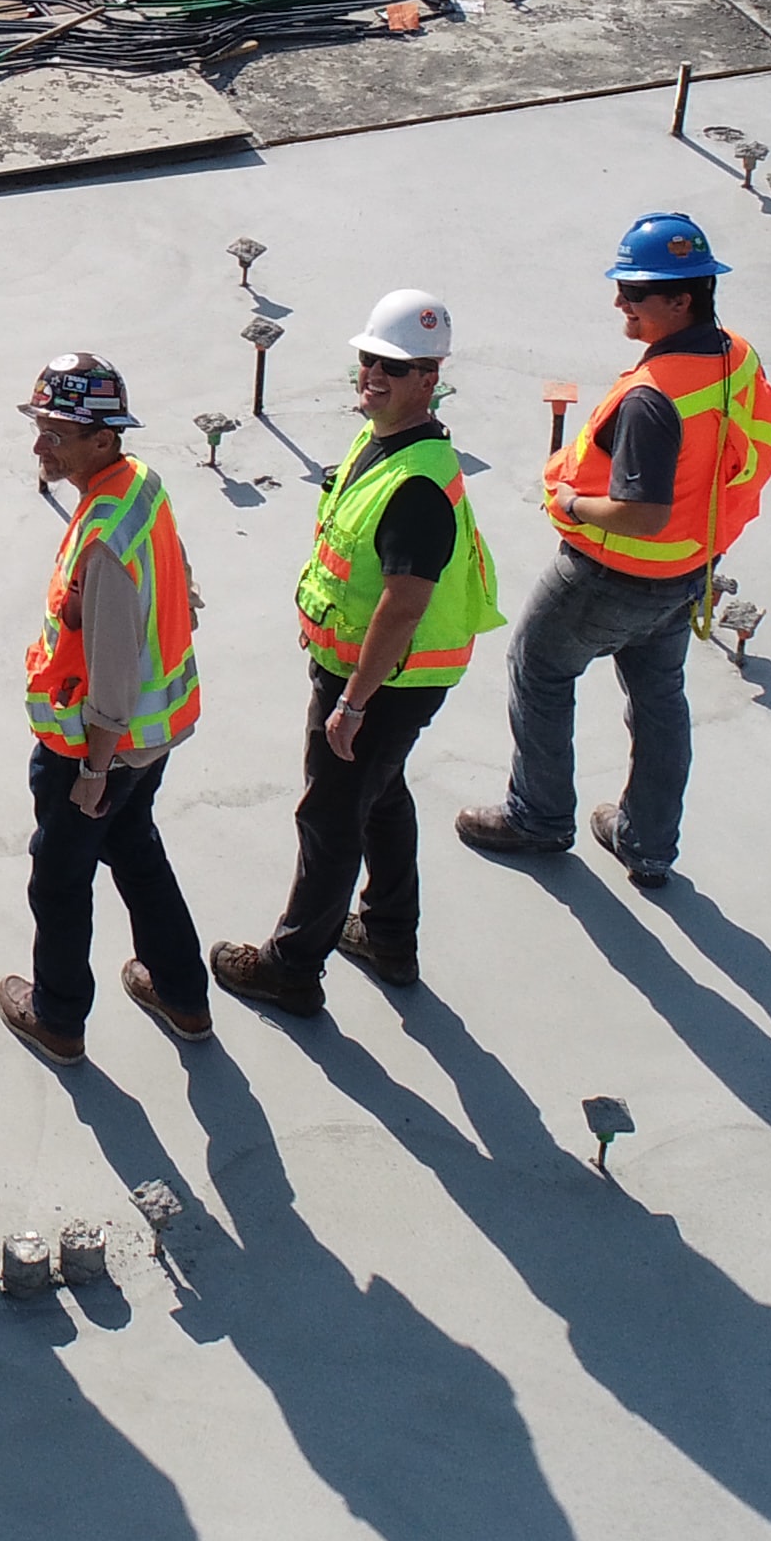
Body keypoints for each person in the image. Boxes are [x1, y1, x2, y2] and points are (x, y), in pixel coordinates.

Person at [463, 214, 771, 893]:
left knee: (540, 670)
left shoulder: (653, 398)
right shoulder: (735, 356)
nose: (620, 302)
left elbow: (642, 513)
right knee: (659, 698)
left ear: (680, 301)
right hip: (687, 570)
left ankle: (539, 817)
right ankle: (648, 843)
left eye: (634, 293)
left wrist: (571, 505)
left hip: (610, 576)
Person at [215, 291, 493, 1015]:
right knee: (380, 796)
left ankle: (291, 967)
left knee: (330, 819)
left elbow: (404, 606)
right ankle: (390, 936)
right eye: (369, 360)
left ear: (430, 378)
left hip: (382, 683)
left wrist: (352, 703)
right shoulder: (383, 440)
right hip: (370, 675)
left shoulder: (417, 486)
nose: (373, 376)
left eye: (394, 368)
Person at [0, 352, 208, 1070]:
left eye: (54, 433)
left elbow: (113, 669)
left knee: (58, 880)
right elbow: (169, 568)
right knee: (136, 851)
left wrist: (92, 768)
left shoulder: (105, 535)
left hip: (98, 748)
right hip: (154, 739)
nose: (39, 446)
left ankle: (58, 1018)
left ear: (101, 440)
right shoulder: (139, 486)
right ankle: (182, 995)